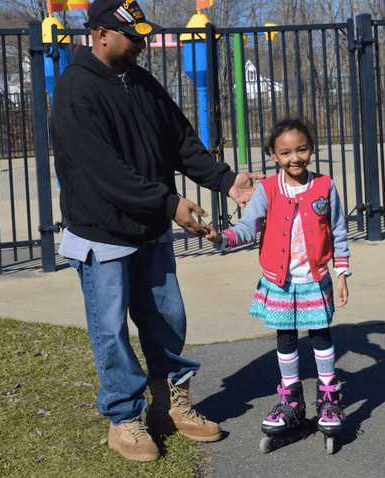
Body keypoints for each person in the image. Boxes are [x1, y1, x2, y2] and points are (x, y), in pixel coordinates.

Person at [51, 0, 262, 463]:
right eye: (134, 36)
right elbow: (104, 171)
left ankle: (171, 404)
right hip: (102, 235)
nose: (143, 43)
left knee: (166, 320)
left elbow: (181, 140)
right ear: (102, 34)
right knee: (111, 331)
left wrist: (226, 181)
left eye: (144, 34)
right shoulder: (75, 90)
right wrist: (169, 203)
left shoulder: (141, 81)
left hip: (150, 232)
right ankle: (124, 417)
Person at [205, 117, 350, 442]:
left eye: (302, 150)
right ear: (273, 155)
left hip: (315, 279)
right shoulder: (268, 190)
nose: (295, 158)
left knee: (321, 337)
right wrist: (222, 238)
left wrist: (342, 273)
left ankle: (329, 398)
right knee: (286, 340)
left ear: (311, 150)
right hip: (279, 282)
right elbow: (247, 227)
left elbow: (338, 229)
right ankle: (291, 400)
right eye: (286, 153)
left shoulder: (325, 186)